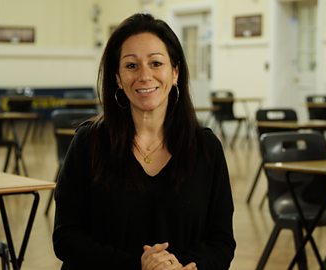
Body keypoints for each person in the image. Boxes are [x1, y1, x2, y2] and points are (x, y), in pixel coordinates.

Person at [53, 13, 235, 270]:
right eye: (131, 65)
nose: (145, 75)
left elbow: (221, 241)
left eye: (156, 63)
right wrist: (139, 266)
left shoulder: (206, 148)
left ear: (175, 73)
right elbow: (66, 237)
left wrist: (182, 266)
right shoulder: (88, 143)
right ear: (117, 77)